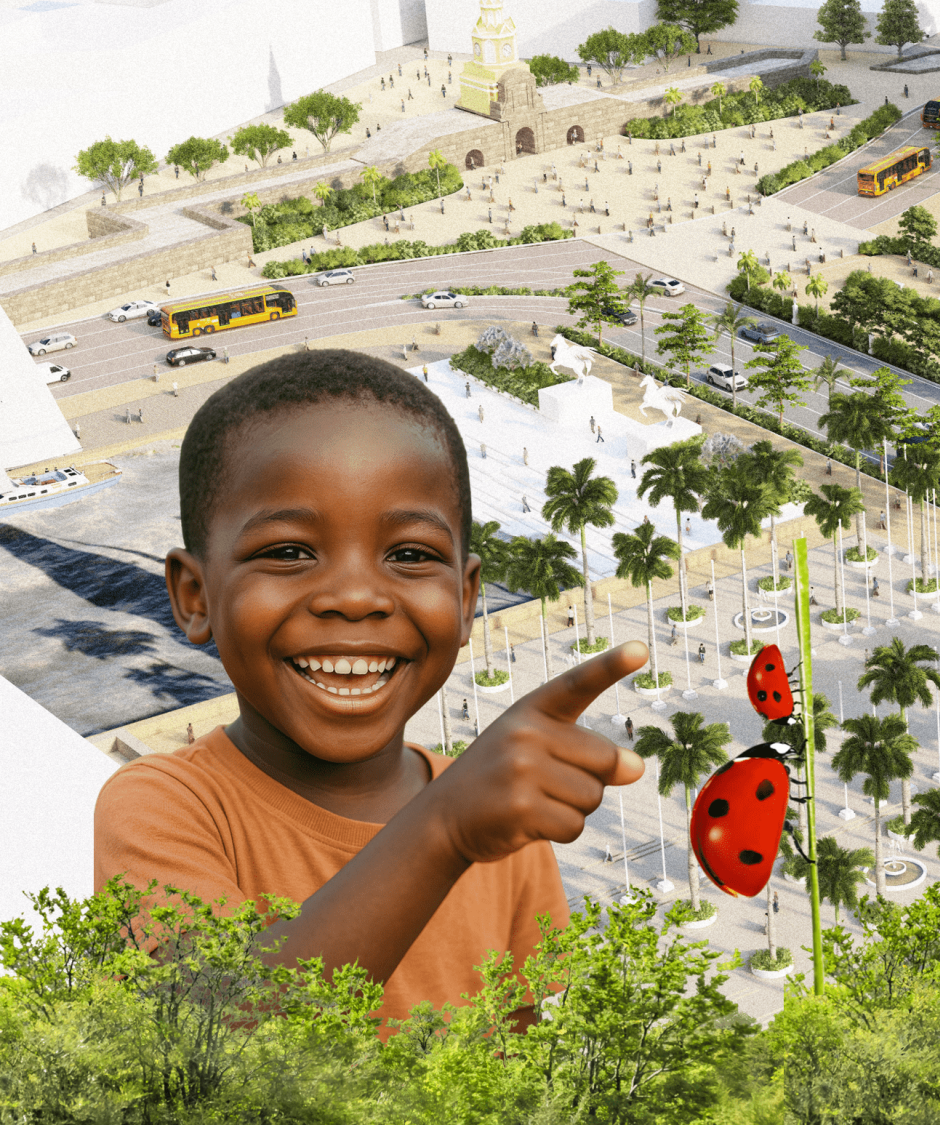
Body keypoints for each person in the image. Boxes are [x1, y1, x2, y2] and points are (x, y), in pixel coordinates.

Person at [93, 351, 646, 1032]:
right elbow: (219, 1026)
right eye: (290, 551)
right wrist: (443, 830)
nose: (355, 596)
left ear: (467, 597)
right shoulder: (162, 807)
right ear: (194, 595)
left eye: (410, 554)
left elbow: (524, 1050)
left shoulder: (504, 829)